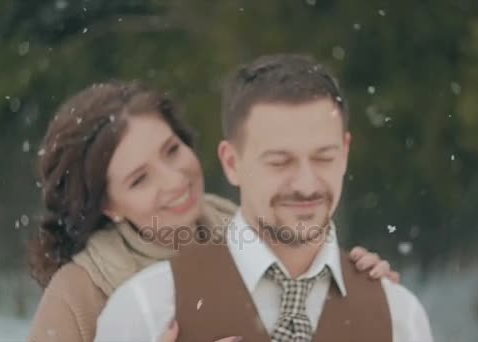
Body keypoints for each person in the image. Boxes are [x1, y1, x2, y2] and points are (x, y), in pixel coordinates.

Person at [27, 80, 400, 342]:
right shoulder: (80, 294)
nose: (175, 180)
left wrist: (362, 291)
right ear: (108, 206)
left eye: (172, 150)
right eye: (140, 179)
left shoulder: (265, 241)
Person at [95, 55, 434, 342]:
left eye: (323, 157)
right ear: (232, 163)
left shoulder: (399, 317)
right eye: (280, 161)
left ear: (345, 153)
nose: (305, 184)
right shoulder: (145, 308)